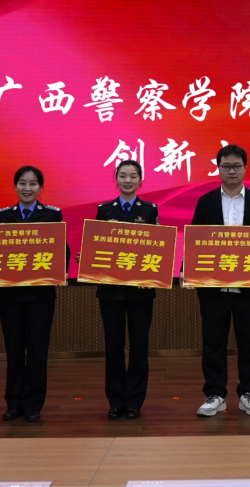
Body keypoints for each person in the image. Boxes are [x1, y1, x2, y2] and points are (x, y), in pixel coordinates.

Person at [190, 144, 250, 418]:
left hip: (249, 286)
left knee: (249, 341)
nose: (231, 171)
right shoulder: (206, 202)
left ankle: (249, 393)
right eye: (226, 166)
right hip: (213, 286)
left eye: (237, 166)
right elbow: (195, 240)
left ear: (245, 168)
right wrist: (187, 269)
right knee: (213, 342)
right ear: (218, 168)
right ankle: (215, 394)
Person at [0, 165, 62, 423]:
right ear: (15, 186)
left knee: (37, 350)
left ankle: (33, 404)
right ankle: (13, 403)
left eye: (33, 184)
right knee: (13, 350)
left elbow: (61, 250)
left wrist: (59, 271)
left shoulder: (52, 215)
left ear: (40, 187)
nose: (27, 188)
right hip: (10, 296)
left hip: (41, 296)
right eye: (22, 183)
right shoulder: (3, 216)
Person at [94, 160, 159, 420]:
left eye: (133, 176)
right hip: (110, 291)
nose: (128, 180)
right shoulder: (104, 210)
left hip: (141, 291)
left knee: (139, 346)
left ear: (141, 180)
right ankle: (115, 401)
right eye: (123, 176)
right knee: (113, 346)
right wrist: (89, 257)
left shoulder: (150, 210)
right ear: (116, 179)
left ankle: (134, 401)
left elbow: (158, 247)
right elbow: (97, 245)